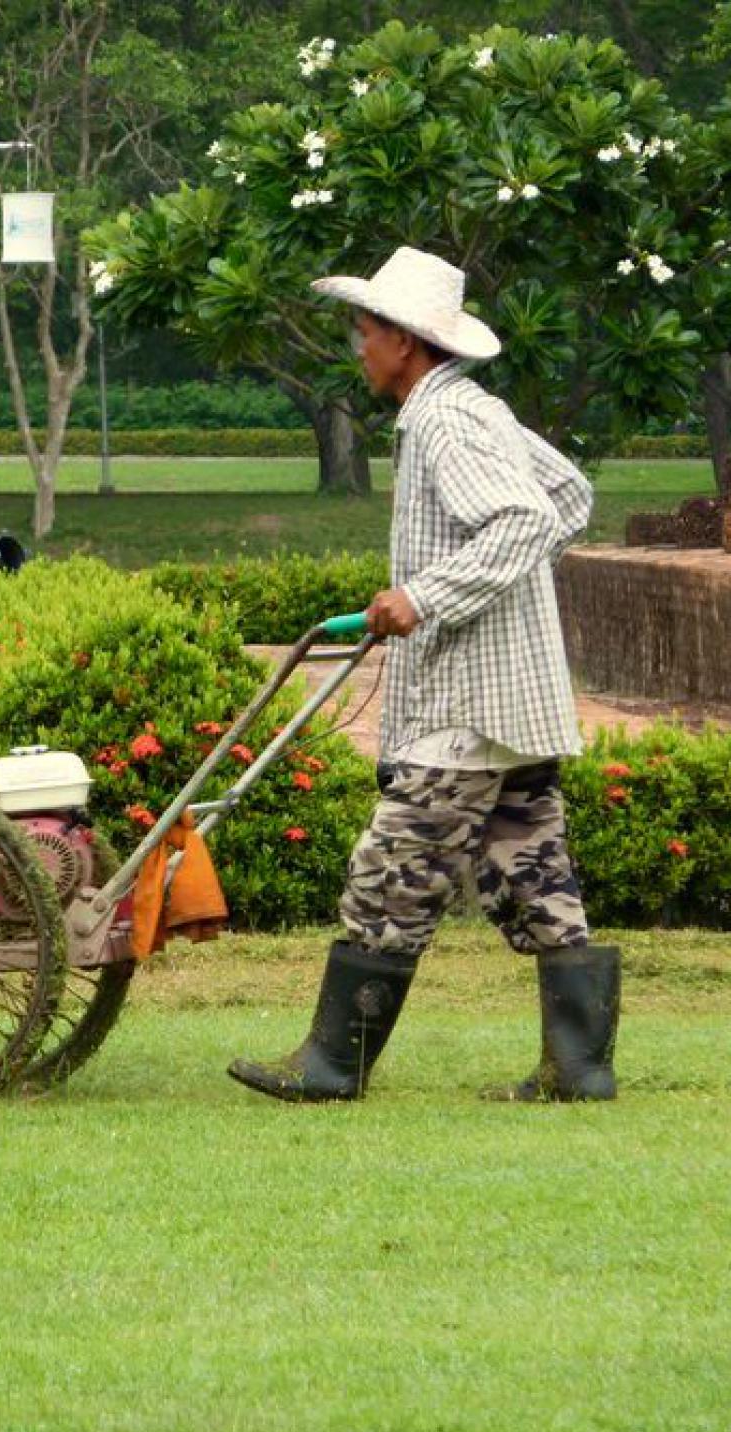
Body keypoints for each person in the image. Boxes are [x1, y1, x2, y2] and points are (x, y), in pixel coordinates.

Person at [228, 246, 620, 1105]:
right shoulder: (475, 409)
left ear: (406, 341)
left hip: (466, 700)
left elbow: (521, 521)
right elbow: (571, 496)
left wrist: (429, 595)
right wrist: (485, 594)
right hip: (508, 696)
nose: (358, 349)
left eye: (365, 333)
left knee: (390, 872)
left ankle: (333, 1065)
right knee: (533, 867)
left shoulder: (446, 420)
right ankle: (580, 1070)